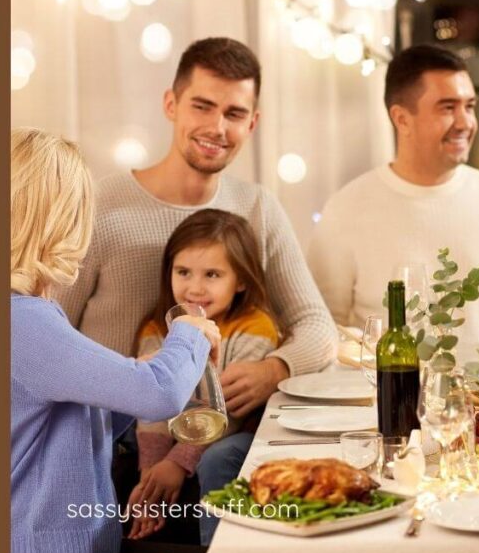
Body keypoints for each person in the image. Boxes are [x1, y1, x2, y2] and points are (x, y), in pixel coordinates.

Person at [55, 37, 335, 424]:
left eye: (234, 114)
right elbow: (45, 331)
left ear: (252, 123)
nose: (216, 127)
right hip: (107, 436)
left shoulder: (258, 208)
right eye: (202, 106)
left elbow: (318, 326)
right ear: (171, 104)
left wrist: (275, 370)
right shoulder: (97, 205)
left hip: (217, 431)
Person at [11, 128, 220, 553]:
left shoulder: (26, 315)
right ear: (62, 221)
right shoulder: (24, 321)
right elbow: (158, 394)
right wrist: (188, 328)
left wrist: (130, 374)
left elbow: (59, 414)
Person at [307, 44, 479, 351]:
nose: (465, 123)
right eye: (448, 108)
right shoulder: (346, 208)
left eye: (469, 106)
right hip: (388, 392)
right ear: (402, 119)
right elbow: (325, 329)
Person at [126, 209, 280, 547]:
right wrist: (152, 471)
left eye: (212, 274)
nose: (194, 288)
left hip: (234, 432)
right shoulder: (156, 328)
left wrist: (177, 464)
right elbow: (148, 401)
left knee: (220, 456)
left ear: (240, 280)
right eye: (183, 272)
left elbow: (230, 411)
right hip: (171, 434)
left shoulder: (254, 327)